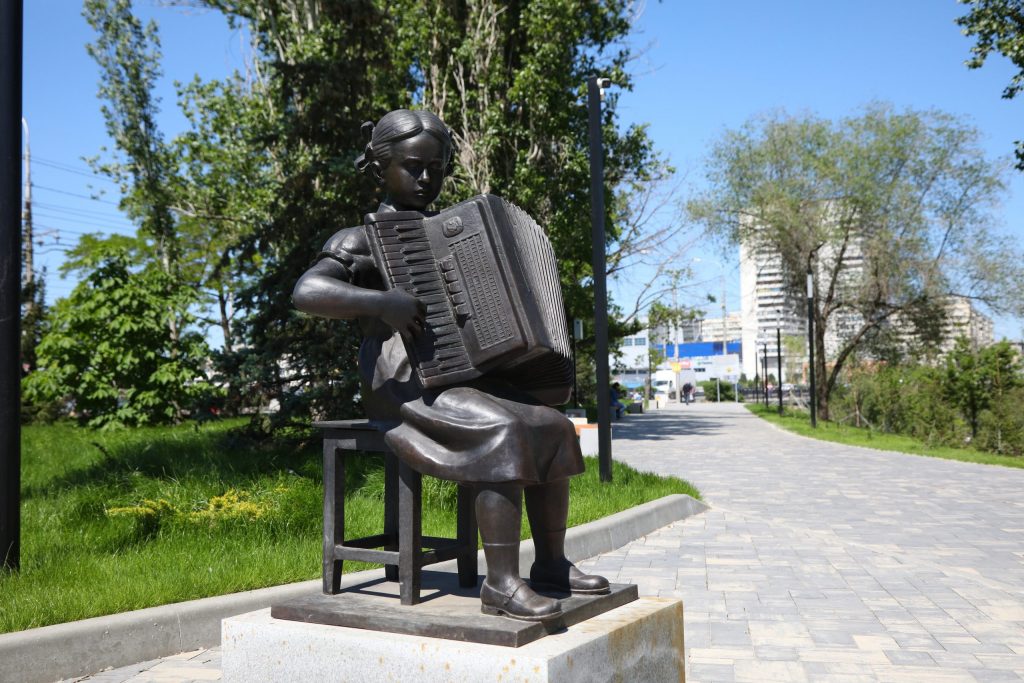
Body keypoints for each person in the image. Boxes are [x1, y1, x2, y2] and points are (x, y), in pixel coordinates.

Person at [292, 109, 607, 621]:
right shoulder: (361, 238)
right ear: (380, 167)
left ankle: (550, 564)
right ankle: (501, 585)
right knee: (503, 428)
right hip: (399, 383)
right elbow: (306, 291)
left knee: (551, 425)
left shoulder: (448, 232)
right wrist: (381, 303)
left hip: (459, 375)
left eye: (436, 168)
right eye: (413, 166)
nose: (425, 178)